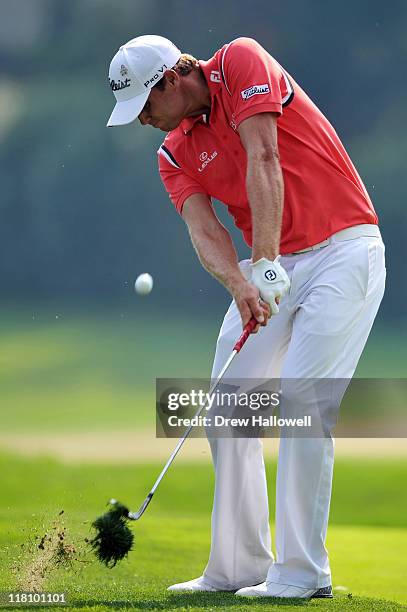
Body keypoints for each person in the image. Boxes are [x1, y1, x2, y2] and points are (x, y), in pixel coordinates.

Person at [106, 35, 386, 599]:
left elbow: (264, 155)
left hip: (344, 249)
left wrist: (263, 263)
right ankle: (237, 567)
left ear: (172, 79)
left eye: (144, 106)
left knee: (303, 405)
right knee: (228, 404)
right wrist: (241, 284)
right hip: (269, 264)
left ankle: (303, 576)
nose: (142, 122)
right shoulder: (172, 153)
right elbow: (203, 229)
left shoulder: (241, 63)